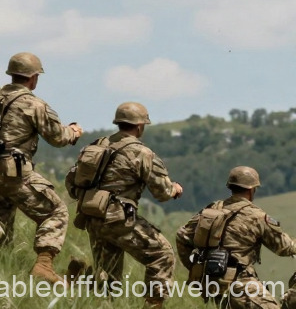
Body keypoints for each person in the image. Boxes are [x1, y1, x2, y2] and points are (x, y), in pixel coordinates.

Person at [0, 52, 82, 283]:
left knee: (1, 233)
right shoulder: (34, 105)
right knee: (56, 211)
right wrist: (73, 132)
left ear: (11, 74)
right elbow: (57, 138)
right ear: (33, 78)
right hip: (14, 175)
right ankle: (44, 265)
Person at [65, 101, 183, 309]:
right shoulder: (141, 152)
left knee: (108, 277)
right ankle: (153, 305)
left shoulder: (97, 145)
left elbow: (71, 182)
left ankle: (82, 280)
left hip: (91, 215)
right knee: (162, 255)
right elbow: (162, 192)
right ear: (139, 126)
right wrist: (174, 189)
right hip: (119, 219)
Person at [177, 166, 296, 309]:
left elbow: (182, 236)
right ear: (252, 190)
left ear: (231, 187)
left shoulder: (212, 209)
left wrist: (196, 269)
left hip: (214, 286)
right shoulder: (257, 216)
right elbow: (284, 248)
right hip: (242, 286)